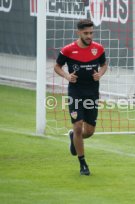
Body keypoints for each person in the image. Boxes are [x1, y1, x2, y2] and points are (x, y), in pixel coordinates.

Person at [54, 19, 107, 176]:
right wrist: (66, 76)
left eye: (91, 33)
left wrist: (100, 74)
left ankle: (74, 138)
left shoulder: (98, 49)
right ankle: (83, 164)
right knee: (78, 126)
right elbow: (57, 66)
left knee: (89, 131)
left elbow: (104, 65)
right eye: (86, 33)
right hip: (75, 92)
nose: (89, 36)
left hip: (92, 93)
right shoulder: (68, 50)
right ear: (78, 32)